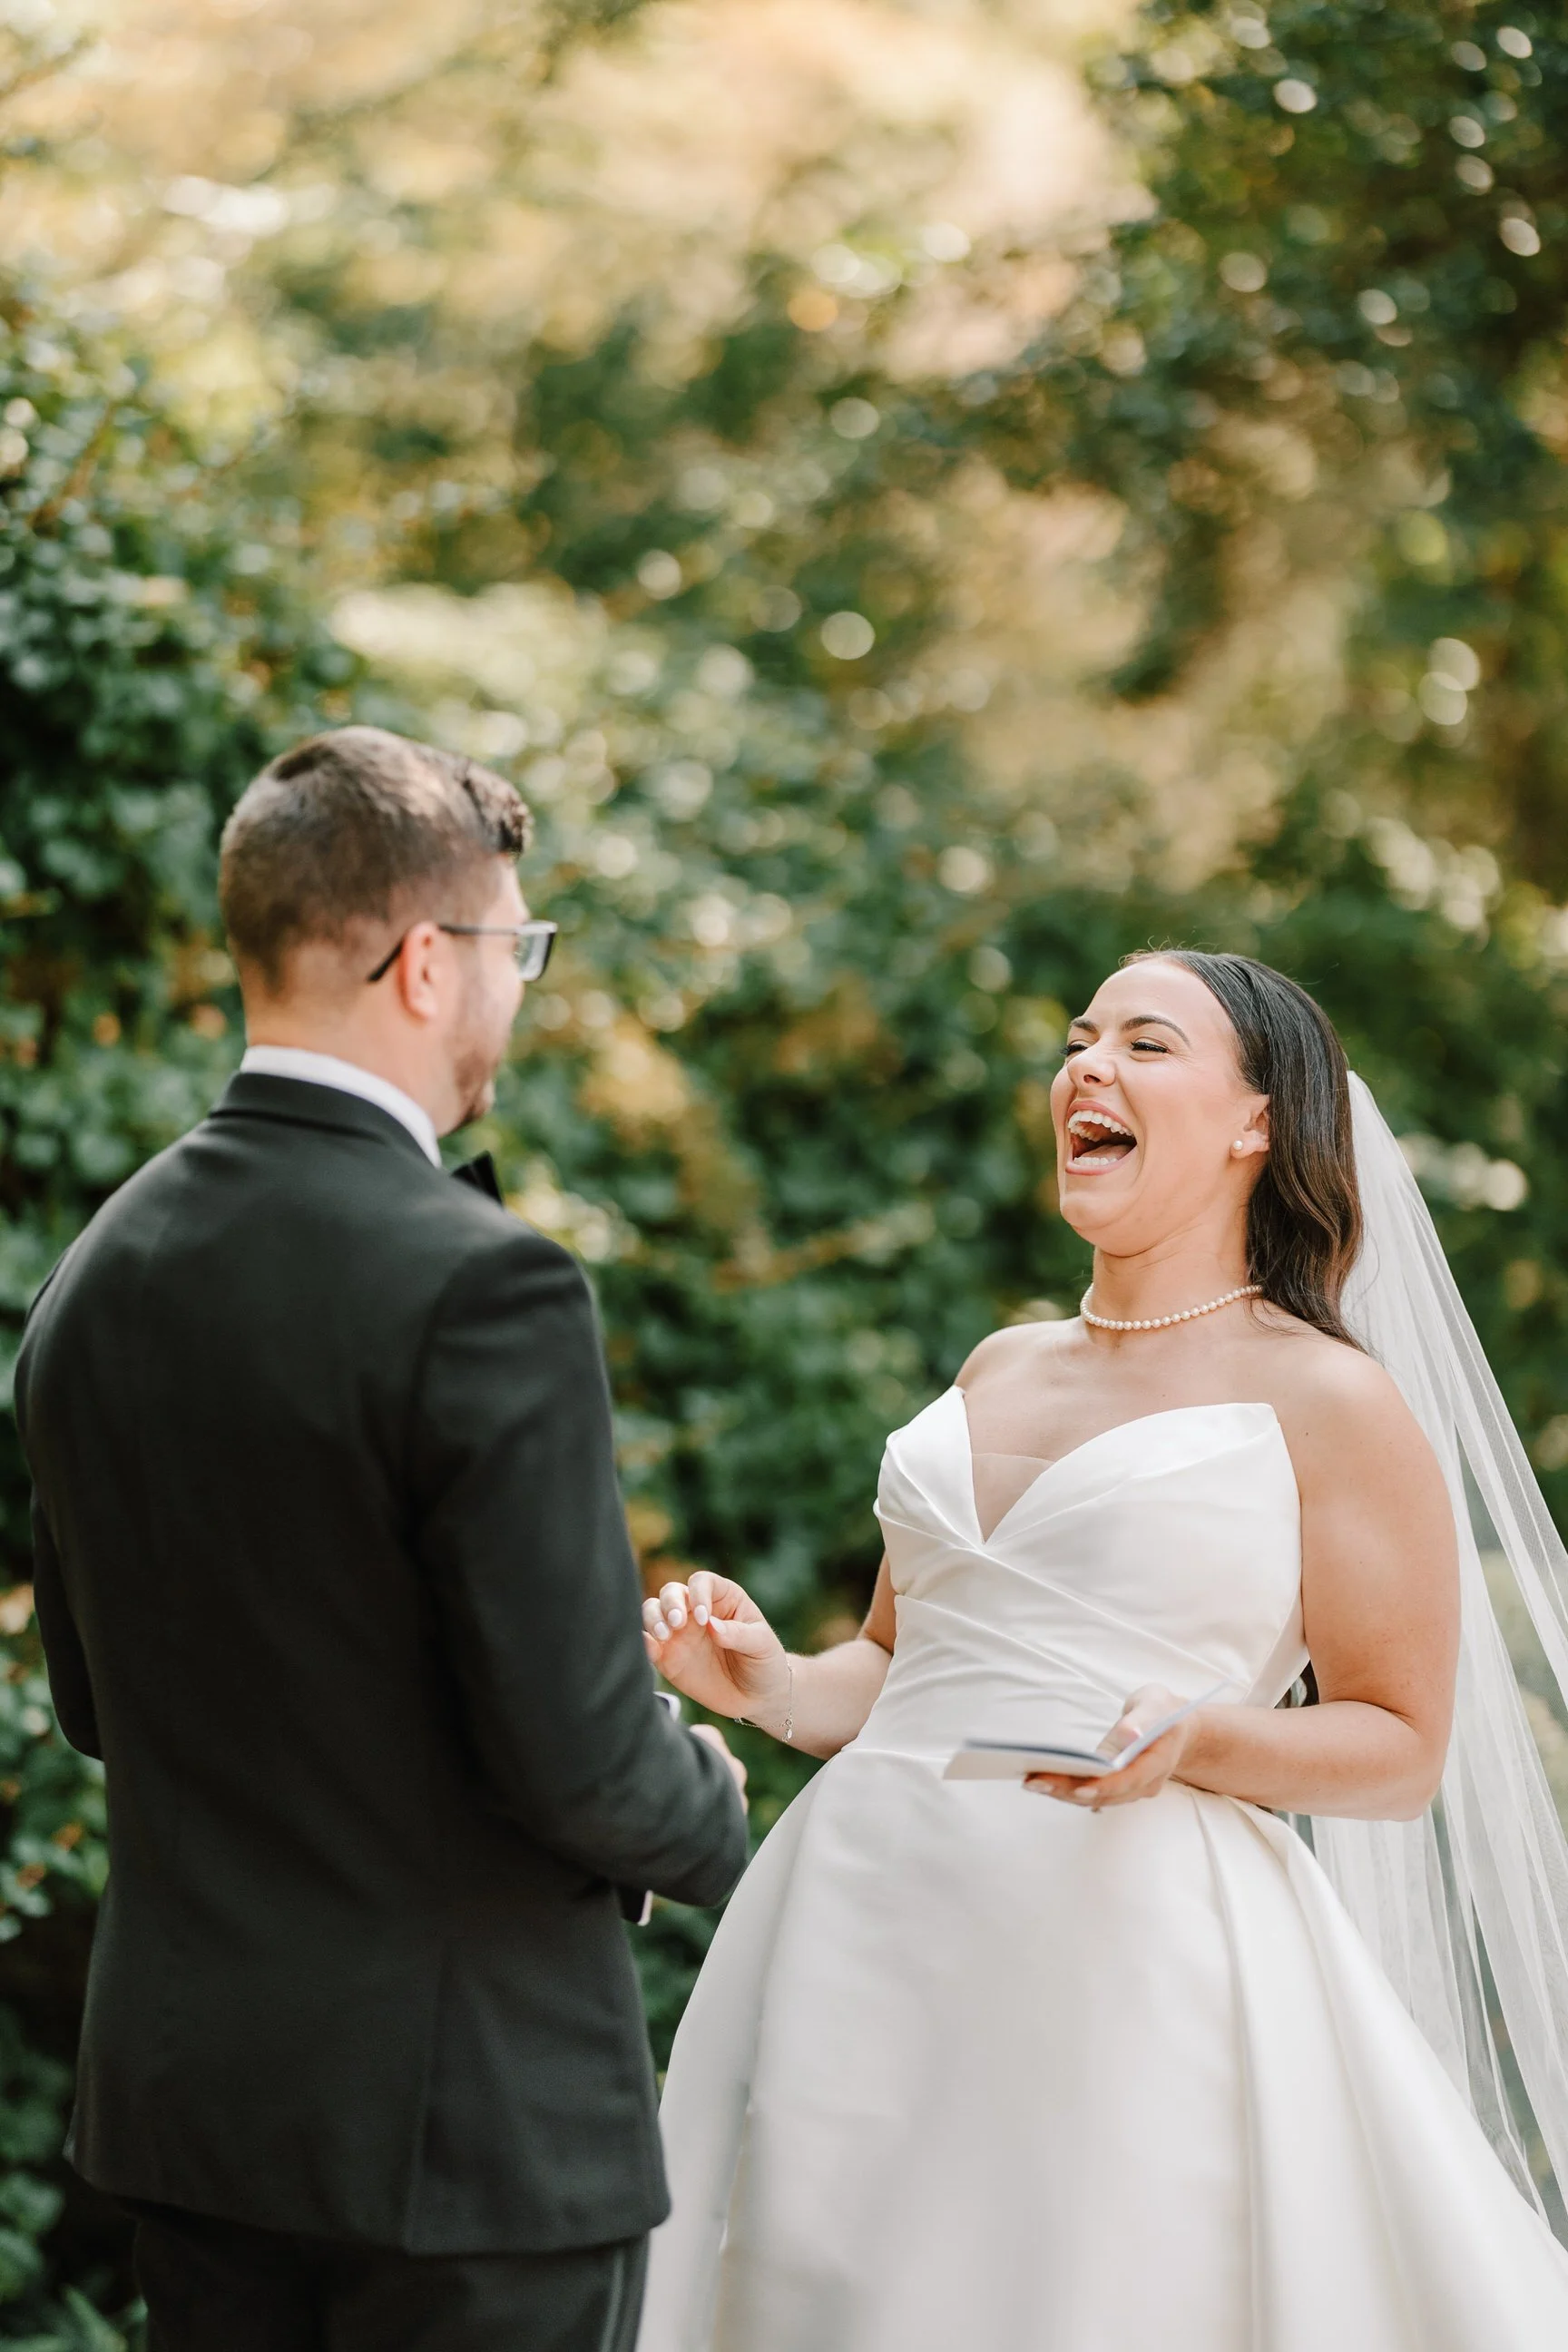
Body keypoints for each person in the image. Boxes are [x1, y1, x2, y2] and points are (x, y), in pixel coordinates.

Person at [634, 949, 1568, 2350]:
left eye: (1146, 1044)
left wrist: (1202, 1740)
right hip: (860, 1925)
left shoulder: (1331, 1400)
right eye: (1080, 1040)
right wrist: (770, 1684)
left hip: (1124, 1954)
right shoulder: (998, 1365)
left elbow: (1398, 1746)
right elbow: (901, 1668)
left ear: (1258, 1123)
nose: (1088, 1067)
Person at [13, 726, 750, 2352]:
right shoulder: (485, 1284)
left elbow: (89, 1702)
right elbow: (580, 1761)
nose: (516, 993)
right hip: (462, 2142)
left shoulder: (94, 1277)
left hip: (199, 2124)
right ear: (428, 961)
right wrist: (720, 1808)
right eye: (514, 950)